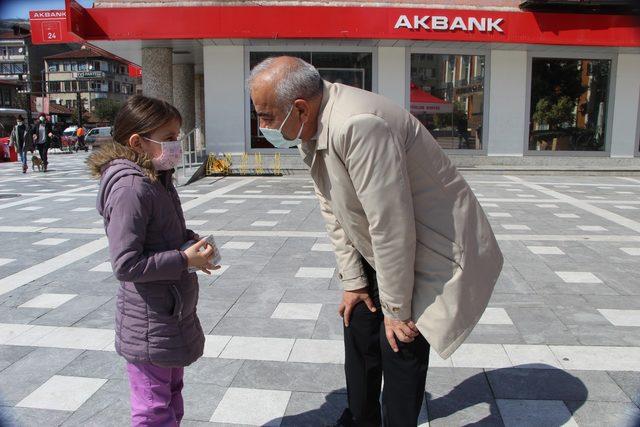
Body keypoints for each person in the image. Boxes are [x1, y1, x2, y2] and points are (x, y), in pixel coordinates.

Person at [249, 57, 503, 426]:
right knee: (360, 322)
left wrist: (398, 309)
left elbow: (391, 225)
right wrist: (353, 281)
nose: (263, 126)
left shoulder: (359, 125)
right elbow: (332, 206)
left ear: (300, 107)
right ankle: (361, 418)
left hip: (431, 248)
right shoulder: (311, 125)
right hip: (384, 242)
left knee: (399, 340)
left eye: (267, 116)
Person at [87, 95, 218, 426]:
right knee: (153, 408)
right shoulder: (131, 187)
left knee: (171, 394)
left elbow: (162, 232)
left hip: (167, 313)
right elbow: (126, 263)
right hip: (149, 320)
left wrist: (191, 244)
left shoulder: (157, 176)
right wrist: (182, 259)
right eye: (169, 137)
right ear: (137, 142)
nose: (177, 144)